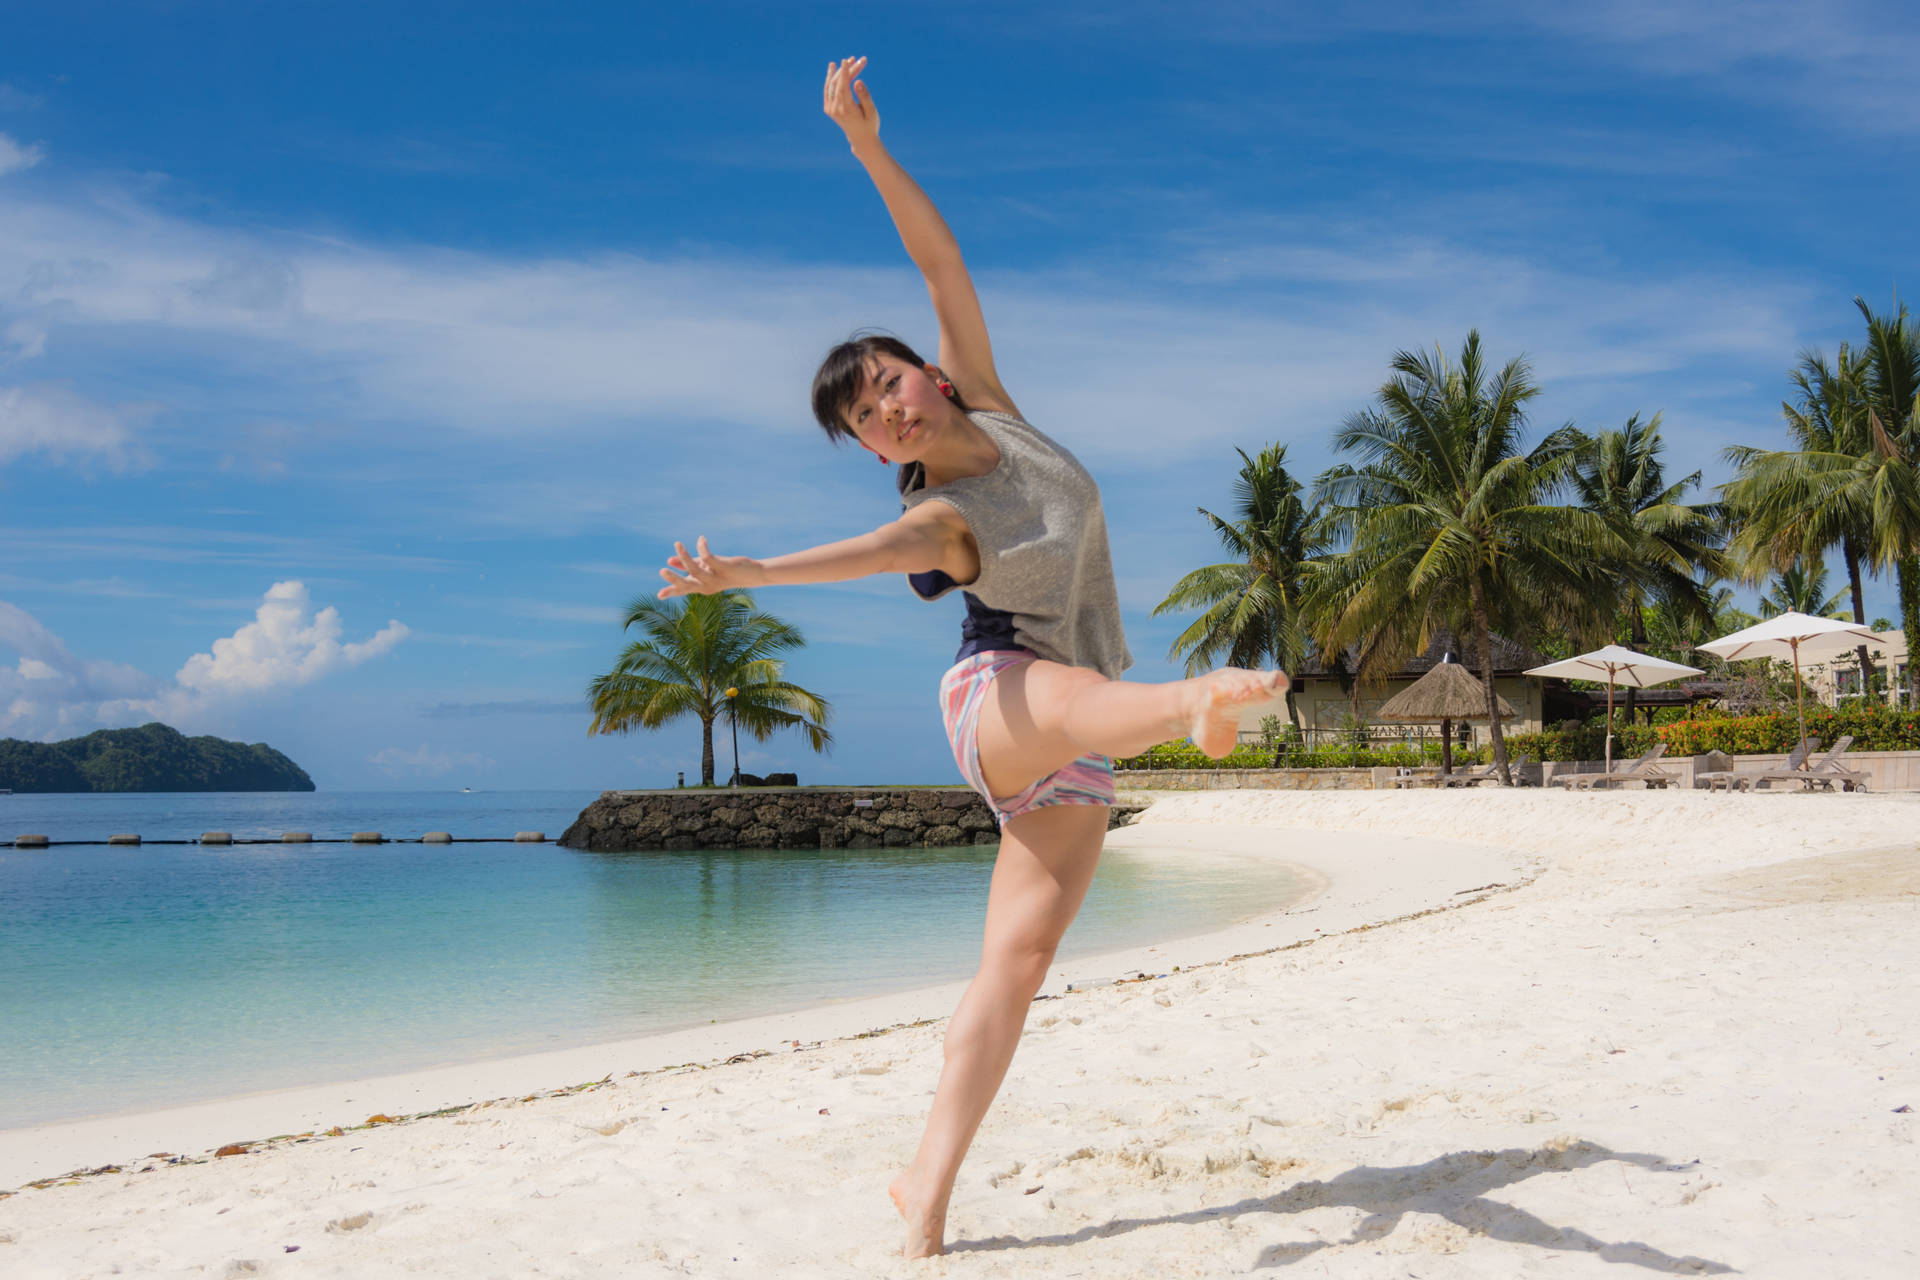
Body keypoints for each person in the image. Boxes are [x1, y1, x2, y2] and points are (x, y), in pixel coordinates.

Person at [656, 55, 1289, 1258]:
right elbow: (862, 551)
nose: (888, 408)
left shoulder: (993, 406)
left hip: (1072, 745)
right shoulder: (936, 516)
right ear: (868, 443)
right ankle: (1198, 702)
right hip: (1004, 697)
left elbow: (939, 260)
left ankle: (924, 1196)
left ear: (930, 375)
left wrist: (866, 148)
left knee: (1017, 964)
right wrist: (746, 572)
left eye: (889, 382)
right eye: (866, 417)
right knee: (1092, 697)